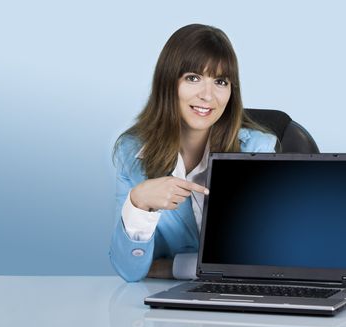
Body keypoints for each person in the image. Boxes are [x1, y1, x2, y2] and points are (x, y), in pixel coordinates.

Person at [109, 24, 278, 282]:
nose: (207, 95)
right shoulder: (131, 153)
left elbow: (262, 265)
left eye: (220, 81)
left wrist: (172, 267)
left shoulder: (258, 150)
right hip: (169, 317)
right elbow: (130, 271)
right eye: (193, 78)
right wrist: (139, 202)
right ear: (168, 83)